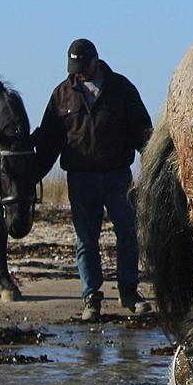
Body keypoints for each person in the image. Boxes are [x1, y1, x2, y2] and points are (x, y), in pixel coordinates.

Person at [33, 38, 154, 321]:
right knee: (86, 240)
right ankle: (91, 298)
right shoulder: (62, 95)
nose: (79, 73)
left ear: (95, 61)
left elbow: (144, 133)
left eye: (82, 67)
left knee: (127, 233)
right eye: (73, 68)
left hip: (117, 177)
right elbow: (49, 142)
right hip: (80, 177)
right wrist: (33, 173)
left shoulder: (122, 89)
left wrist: (152, 168)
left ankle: (129, 292)